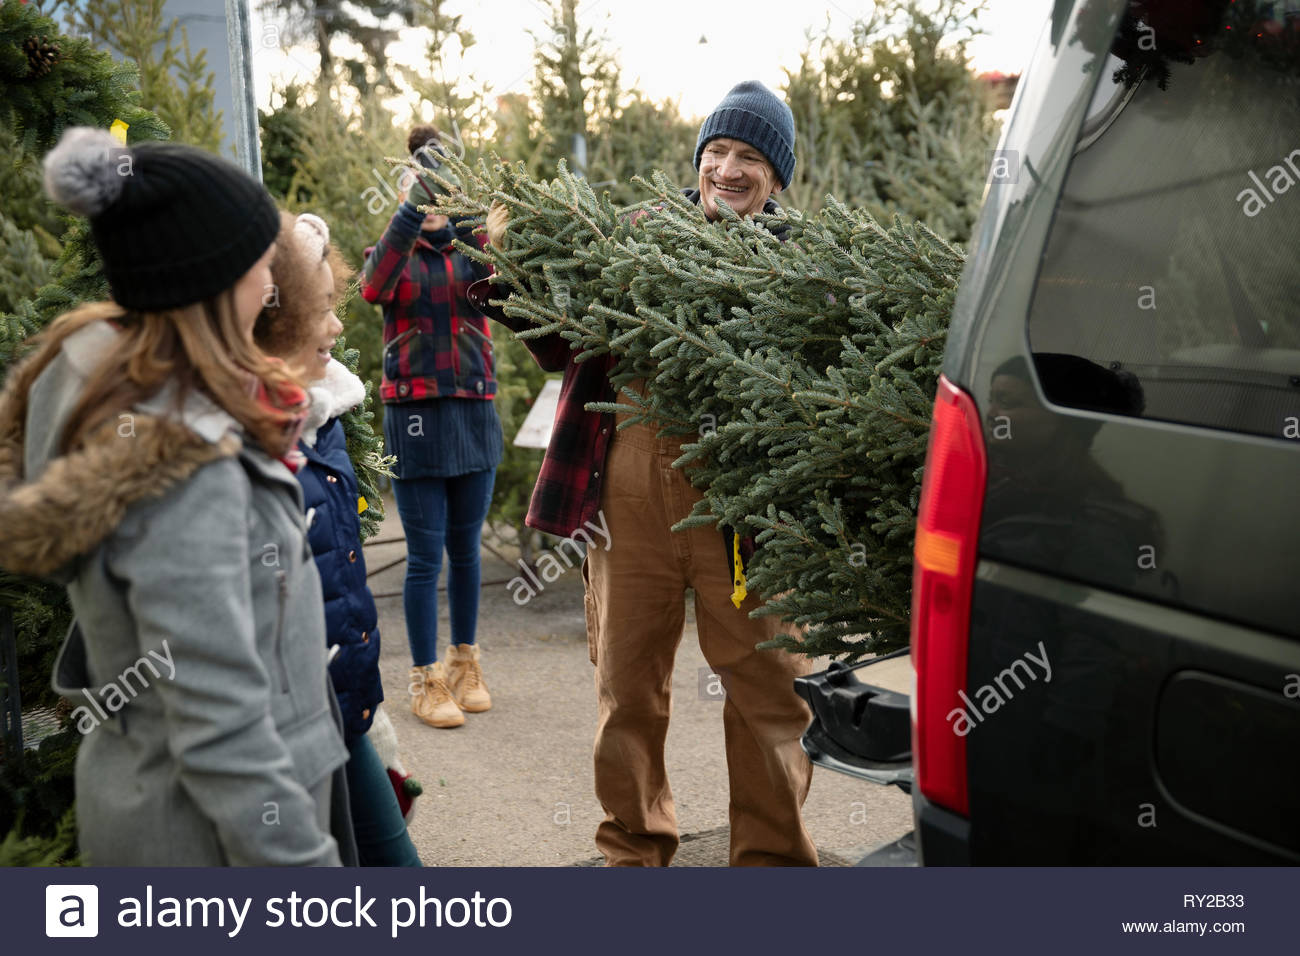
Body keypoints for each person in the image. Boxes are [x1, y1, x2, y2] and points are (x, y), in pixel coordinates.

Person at [472, 81, 819, 866]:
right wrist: (514, 259)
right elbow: (557, 339)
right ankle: (633, 849)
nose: (727, 170)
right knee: (627, 688)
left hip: (748, 515)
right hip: (627, 493)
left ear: (778, 177)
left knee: (770, 692)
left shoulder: (806, 272)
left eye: (750, 158)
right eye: (716, 152)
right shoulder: (632, 238)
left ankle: (772, 865)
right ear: (697, 159)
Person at [0, 127, 350, 865]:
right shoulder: (183, 473)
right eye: (260, 264)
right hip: (205, 844)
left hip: (145, 805)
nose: (272, 285)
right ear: (214, 282)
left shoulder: (93, 375)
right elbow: (221, 730)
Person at [254, 211, 423, 866]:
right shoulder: (252, 445)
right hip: (294, 732)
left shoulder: (321, 415)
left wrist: (368, 712)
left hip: (345, 711)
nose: (335, 326)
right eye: (321, 310)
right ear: (271, 322)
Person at [361, 125, 501, 729]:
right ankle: (423, 678)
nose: (431, 203)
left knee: (466, 553)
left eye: (440, 191)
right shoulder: (388, 255)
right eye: (421, 193)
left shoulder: (472, 251)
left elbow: (503, 289)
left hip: (473, 409)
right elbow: (373, 288)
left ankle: (463, 661)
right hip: (414, 417)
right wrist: (414, 200)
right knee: (424, 559)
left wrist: (467, 205)